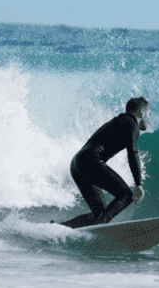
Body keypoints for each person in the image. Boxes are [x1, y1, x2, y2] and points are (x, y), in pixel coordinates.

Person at [60, 97, 149, 229]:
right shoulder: (131, 122)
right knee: (126, 195)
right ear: (141, 111)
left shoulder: (122, 120)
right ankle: (98, 228)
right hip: (90, 161)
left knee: (99, 213)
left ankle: (59, 228)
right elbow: (133, 153)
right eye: (149, 114)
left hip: (77, 163)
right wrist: (138, 184)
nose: (149, 119)